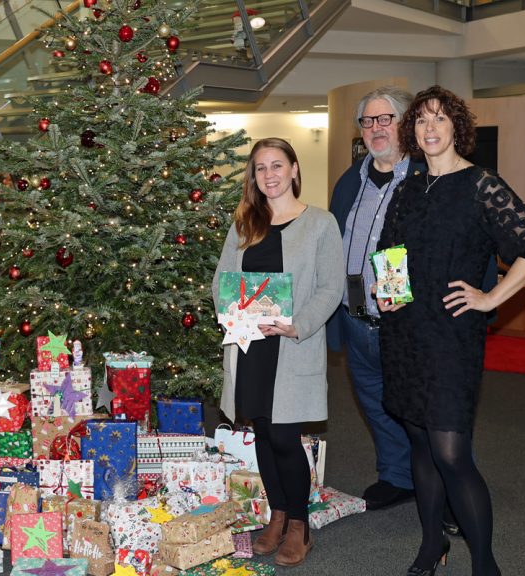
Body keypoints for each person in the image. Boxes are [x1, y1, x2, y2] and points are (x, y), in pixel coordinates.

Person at [377, 85, 525, 576]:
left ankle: (485, 563)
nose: (429, 128)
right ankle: (432, 544)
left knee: (451, 453)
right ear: (411, 132)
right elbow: (389, 252)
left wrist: (491, 297)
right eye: (420, 121)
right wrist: (387, 293)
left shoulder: (481, 184)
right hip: (404, 333)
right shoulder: (408, 187)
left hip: (452, 336)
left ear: (457, 127)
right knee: (419, 443)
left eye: (439, 119)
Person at [212, 138, 343, 567]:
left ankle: (300, 526)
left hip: (290, 344)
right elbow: (221, 283)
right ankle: (277, 515)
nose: (269, 175)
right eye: (261, 168)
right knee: (264, 435)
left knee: (286, 437)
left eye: (277, 166)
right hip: (250, 346)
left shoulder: (320, 223)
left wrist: (297, 325)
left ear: (294, 169)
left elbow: (330, 287)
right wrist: (233, 316)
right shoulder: (244, 223)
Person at [325, 86, 417, 510]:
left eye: (386, 119)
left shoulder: (425, 179)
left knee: (422, 411)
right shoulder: (351, 179)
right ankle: (398, 477)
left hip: (406, 320)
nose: (376, 128)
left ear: (406, 124)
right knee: (375, 405)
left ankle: (446, 491)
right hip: (356, 314)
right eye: (368, 121)